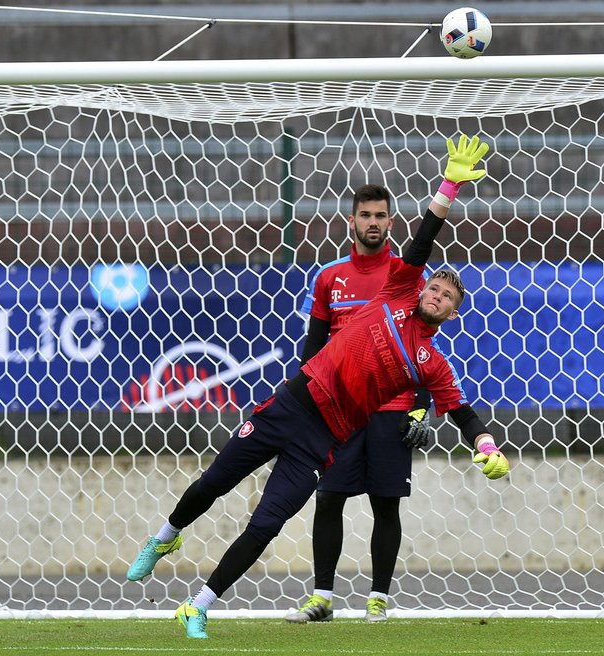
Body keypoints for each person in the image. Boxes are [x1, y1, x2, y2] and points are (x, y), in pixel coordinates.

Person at [126, 134, 510, 639]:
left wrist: (485, 444)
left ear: (453, 312)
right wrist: (450, 185)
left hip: (321, 441)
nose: (435, 295)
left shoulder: (431, 363)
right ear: (420, 288)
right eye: (433, 287)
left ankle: (198, 606)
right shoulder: (396, 289)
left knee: (266, 525)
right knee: (213, 484)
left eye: (445, 296)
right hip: (288, 408)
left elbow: (460, 410)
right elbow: (422, 239)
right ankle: (165, 537)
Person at [283, 183, 433, 625]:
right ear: (351, 220)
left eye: (380, 216)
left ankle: (379, 599)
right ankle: (322, 597)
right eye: (365, 215)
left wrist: (423, 406)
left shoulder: (409, 276)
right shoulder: (330, 276)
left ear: (391, 222)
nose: (372, 222)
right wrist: (305, 407)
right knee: (328, 499)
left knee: (386, 505)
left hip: (393, 408)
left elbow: (422, 345)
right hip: (341, 411)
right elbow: (313, 350)